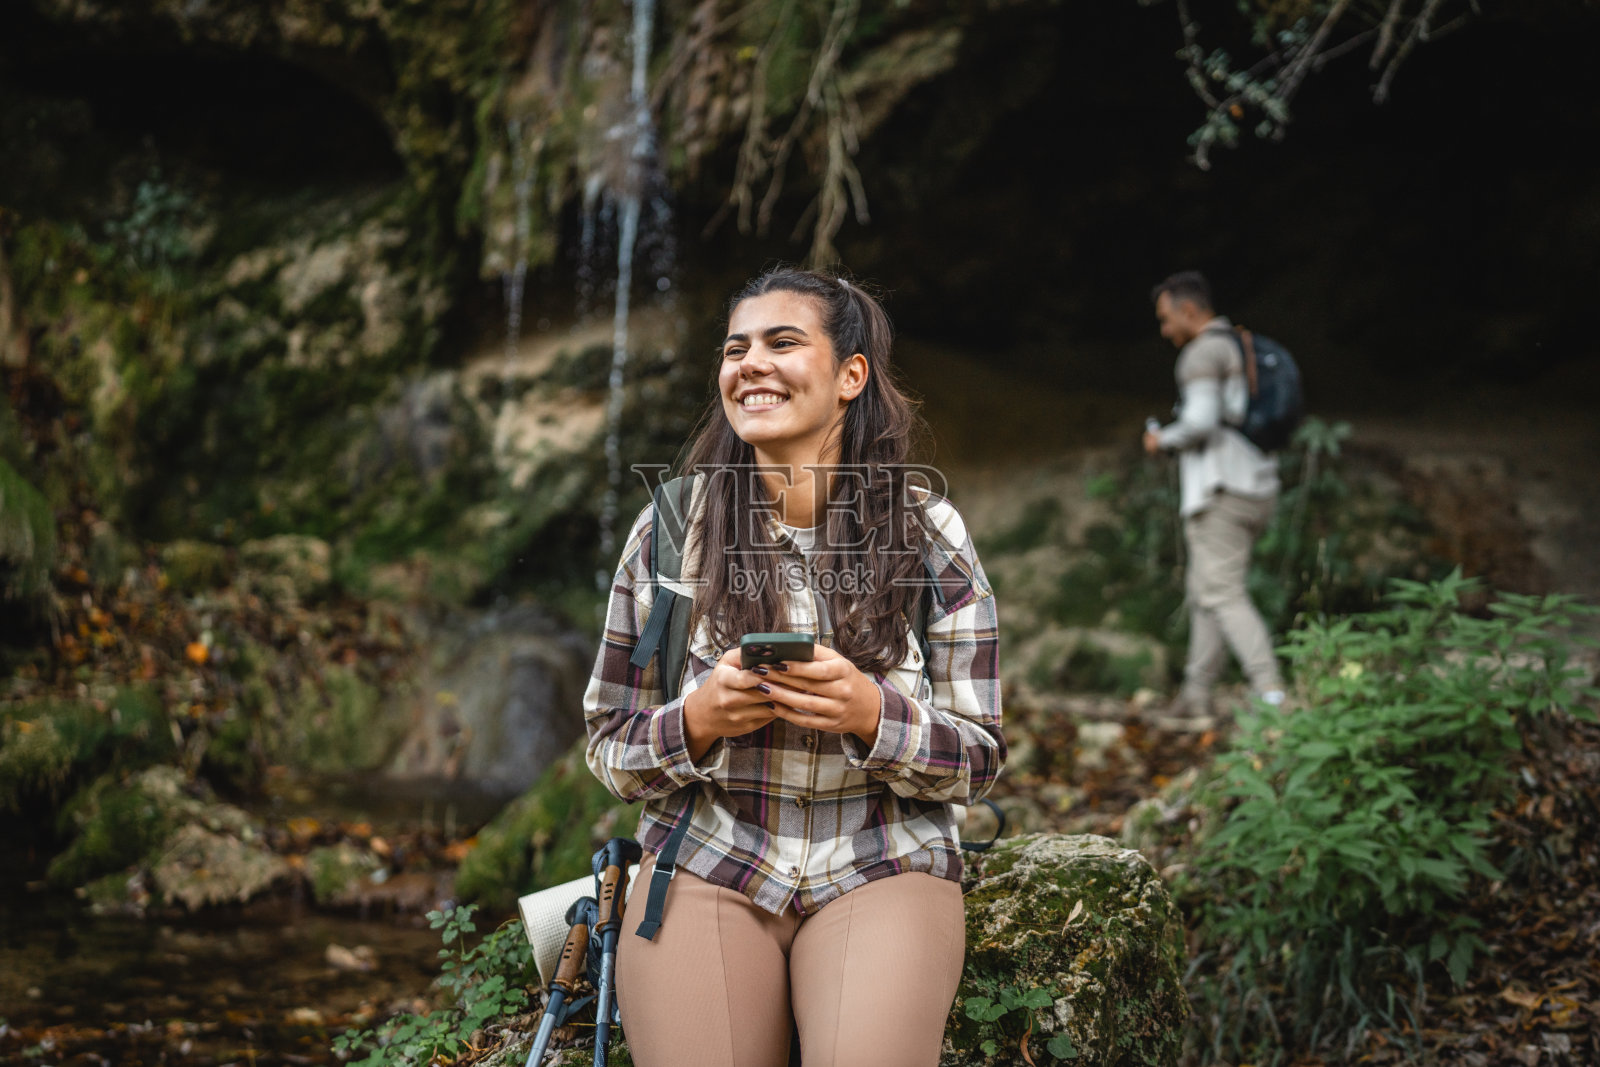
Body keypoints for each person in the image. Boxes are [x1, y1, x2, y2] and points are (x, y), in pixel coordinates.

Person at [584, 267, 1005, 1067]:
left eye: (783, 341)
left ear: (852, 375)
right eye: (735, 347)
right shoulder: (672, 531)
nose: (751, 362)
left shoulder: (928, 533)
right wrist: (698, 719)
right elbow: (609, 742)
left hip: (883, 860)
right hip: (708, 856)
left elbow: (980, 756)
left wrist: (870, 714)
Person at [1143, 271, 1286, 724]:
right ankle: (1195, 696)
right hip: (1255, 485)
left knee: (1222, 593)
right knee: (1205, 591)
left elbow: (1201, 421)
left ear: (1189, 310)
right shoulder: (1238, 344)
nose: (1165, 330)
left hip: (1222, 492)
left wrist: (1161, 440)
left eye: (1167, 319)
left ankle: (1273, 697)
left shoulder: (1203, 352)